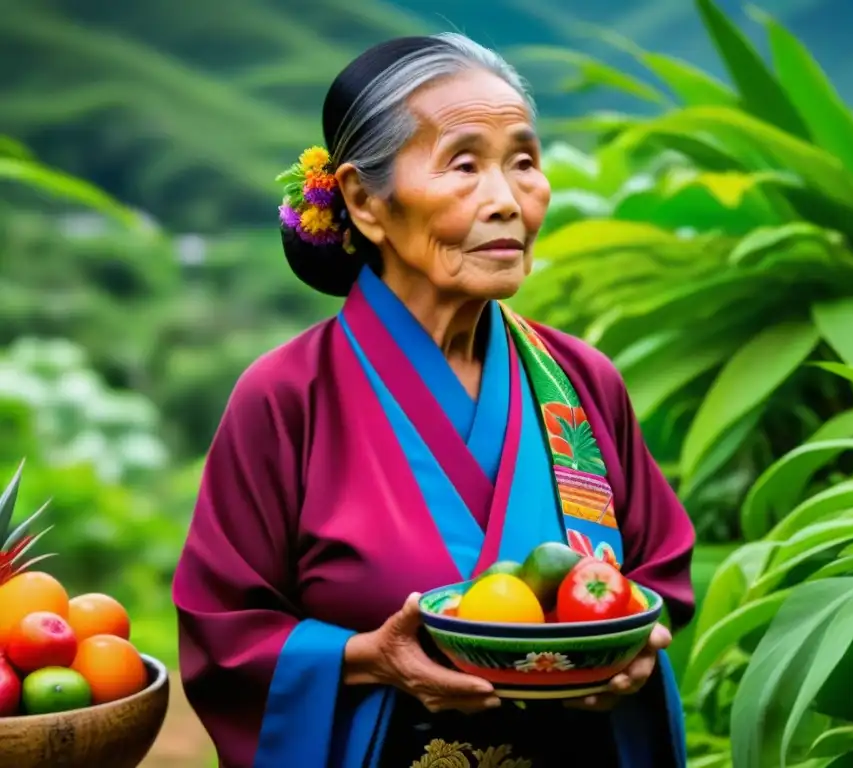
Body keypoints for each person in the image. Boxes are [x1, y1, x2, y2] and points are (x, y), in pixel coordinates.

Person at [172, 33, 695, 768]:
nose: (509, 201)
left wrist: (637, 650)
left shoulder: (581, 380)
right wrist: (368, 657)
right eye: (464, 164)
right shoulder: (288, 397)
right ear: (364, 200)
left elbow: (659, 573)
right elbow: (224, 632)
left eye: (523, 161)